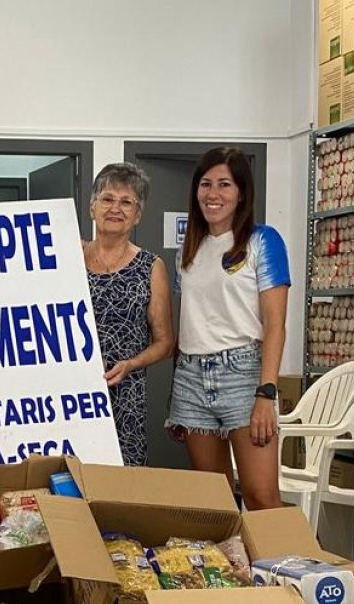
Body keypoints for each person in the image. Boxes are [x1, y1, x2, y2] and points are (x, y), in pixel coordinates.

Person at [166, 147, 290, 510]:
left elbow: (276, 324)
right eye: (205, 184)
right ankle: (233, 568)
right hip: (191, 376)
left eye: (224, 184)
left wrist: (266, 394)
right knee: (214, 501)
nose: (213, 194)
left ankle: (279, 567)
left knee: (260, 495)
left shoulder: (262, 241)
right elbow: (193, 317)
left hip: (245, 375)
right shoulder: (188, 249)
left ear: (241, 192)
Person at [83, 163, 175, 466]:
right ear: (92, 207)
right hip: (72, 392)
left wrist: (131, 364)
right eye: (107, 199)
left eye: (127, 202)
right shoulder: (65, 256)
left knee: (121, 484)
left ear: (137, 215)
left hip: (125, 395)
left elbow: (165, 342)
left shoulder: (151, 266)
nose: (115, 209)